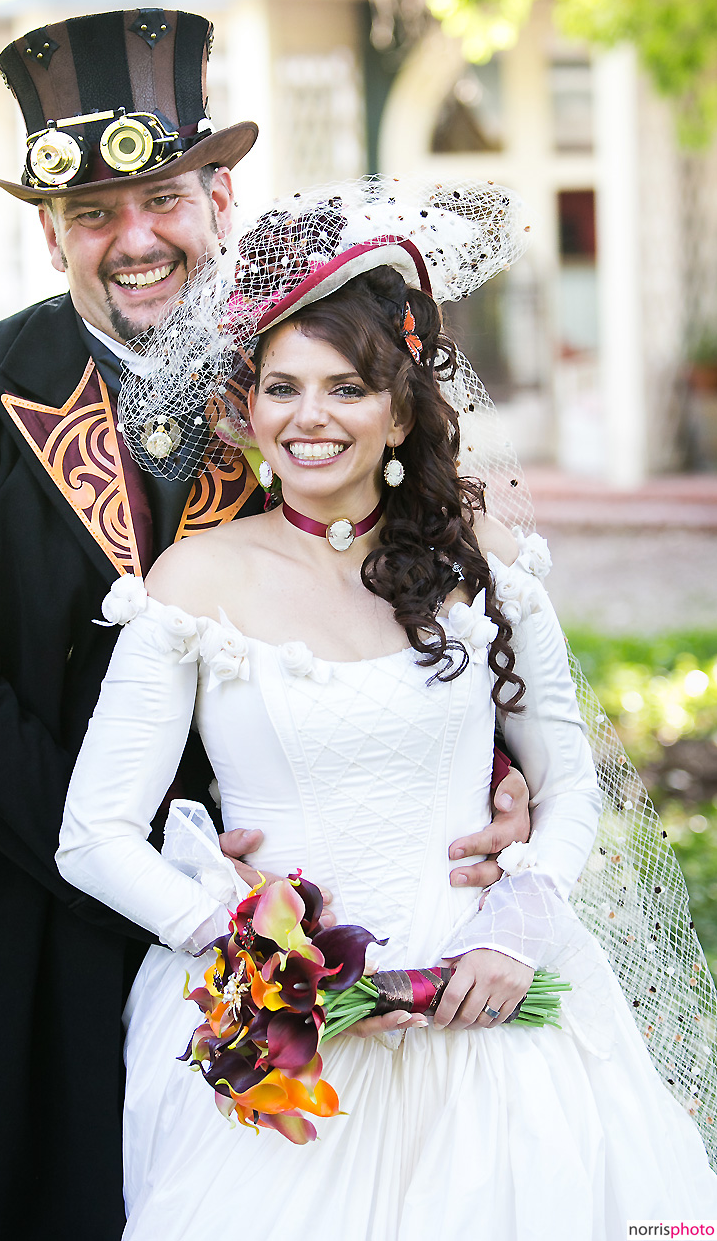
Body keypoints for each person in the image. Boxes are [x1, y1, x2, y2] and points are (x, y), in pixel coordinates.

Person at [0, 14, 526, 1241]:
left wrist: (497, 765)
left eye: (160, 198)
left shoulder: (305, 381)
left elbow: (404, 592)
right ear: (50, 231)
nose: (135, 239)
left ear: (219, 196)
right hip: (10, 900)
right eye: (94, 214)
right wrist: (165, 872)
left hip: (288, 918)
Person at [58, 180, 717, 1237]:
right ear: (244, 406)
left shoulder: (487, 565)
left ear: (401, 408)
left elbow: (570, 784)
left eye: (347, 387)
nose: (309, 418)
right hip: (295, 1041)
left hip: (487, 996)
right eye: (281, 388)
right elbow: (92, 837)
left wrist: (519, 927)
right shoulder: (194, 581)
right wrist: (243, 950)